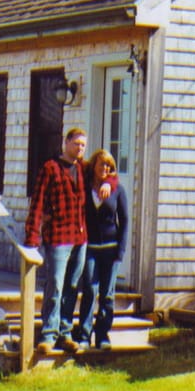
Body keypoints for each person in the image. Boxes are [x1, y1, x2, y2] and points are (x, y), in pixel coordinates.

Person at [25, 127, 89, 353]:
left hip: (80, 237)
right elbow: (38, 202)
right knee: (55, 284)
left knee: (72, 286)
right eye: (76, 144)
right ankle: (48, 335)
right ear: (66, 143)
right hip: (58, 237)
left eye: (83, 145)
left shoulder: (82, 168)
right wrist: (32, 236)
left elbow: (108, 171)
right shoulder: (50, 168)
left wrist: (107, 184)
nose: (80, 149)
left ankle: (65, 332)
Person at [77, 149, 128, 350]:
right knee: (90, 290)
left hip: (110, 249)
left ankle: (103, 335)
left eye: (109, 166)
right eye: (102, 165)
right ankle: (83, 335)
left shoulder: (117, 190)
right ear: (94, 166)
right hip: (90, 248)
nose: (105, 169)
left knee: (107, 294)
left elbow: (123, 221)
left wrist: (121, 251)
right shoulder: (85, 187)